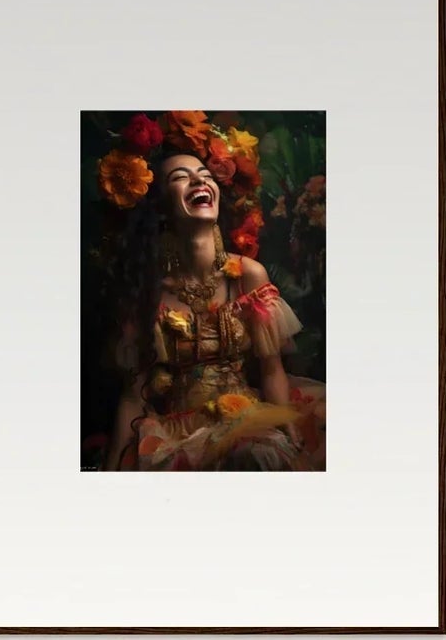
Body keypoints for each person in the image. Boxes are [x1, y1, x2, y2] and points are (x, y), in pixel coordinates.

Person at [102, 150, 325, 471]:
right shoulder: (146, 291)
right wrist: (111, 470)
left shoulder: (249, 275)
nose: (198, 179)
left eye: (205, 174)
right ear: (164, 208)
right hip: (176, 431)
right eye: (180, 177)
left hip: (246, 419)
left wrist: (288, 430)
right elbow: (133, 395)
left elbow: (271, 369)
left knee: (256, 453)